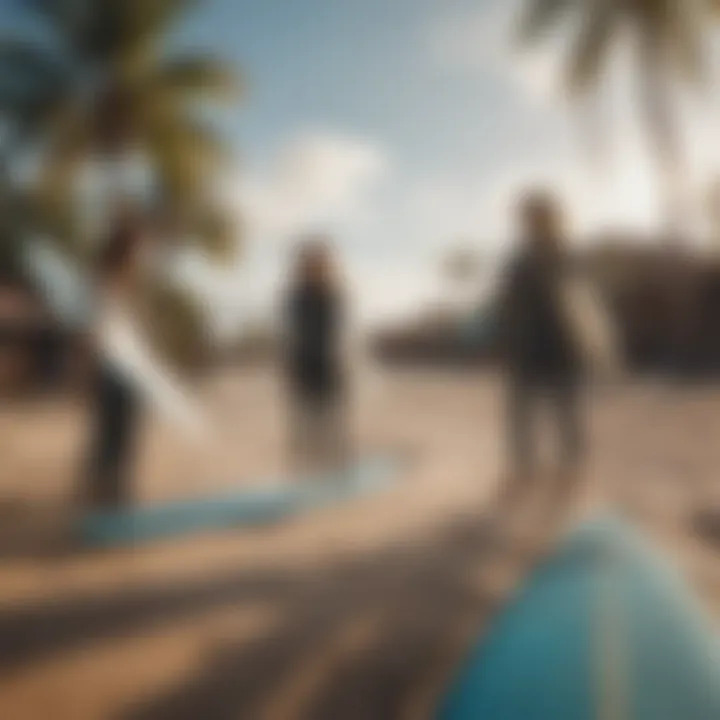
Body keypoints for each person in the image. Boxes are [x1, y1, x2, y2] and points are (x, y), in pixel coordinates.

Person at [82, 214, 206, 510]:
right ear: (128, 250)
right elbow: (100, 327)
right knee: (114, 436)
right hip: (115, 367)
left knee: (119, 436)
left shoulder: (128, 284)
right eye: (141, 248)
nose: (146, 255)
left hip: (126, 368)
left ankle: (112, 497)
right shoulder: (108, 282)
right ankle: (105, 500)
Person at [495, 191, 586, 515]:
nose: (531, 223)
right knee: (520, 416)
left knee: (566, 414)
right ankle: (524, 470)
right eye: (528, 217)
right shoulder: (517, 262)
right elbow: (506, 306)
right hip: (525, 350)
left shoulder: (565, 257)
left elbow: (580, 305)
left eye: (537, 216)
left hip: (561, 347)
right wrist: (506, 341)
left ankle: (570, 471)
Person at [284, 237, 348, 476]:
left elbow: (338, 333)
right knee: (304, 424)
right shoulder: (296, 296)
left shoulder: (333, 295)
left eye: (319, 262)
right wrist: (293, 369)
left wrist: (340, 364)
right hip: (303, 365)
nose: (314, 267)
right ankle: (305, 471)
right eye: (310, 262)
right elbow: (294, 333)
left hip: (328, 365)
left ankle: (335, 467)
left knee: (331, 421)